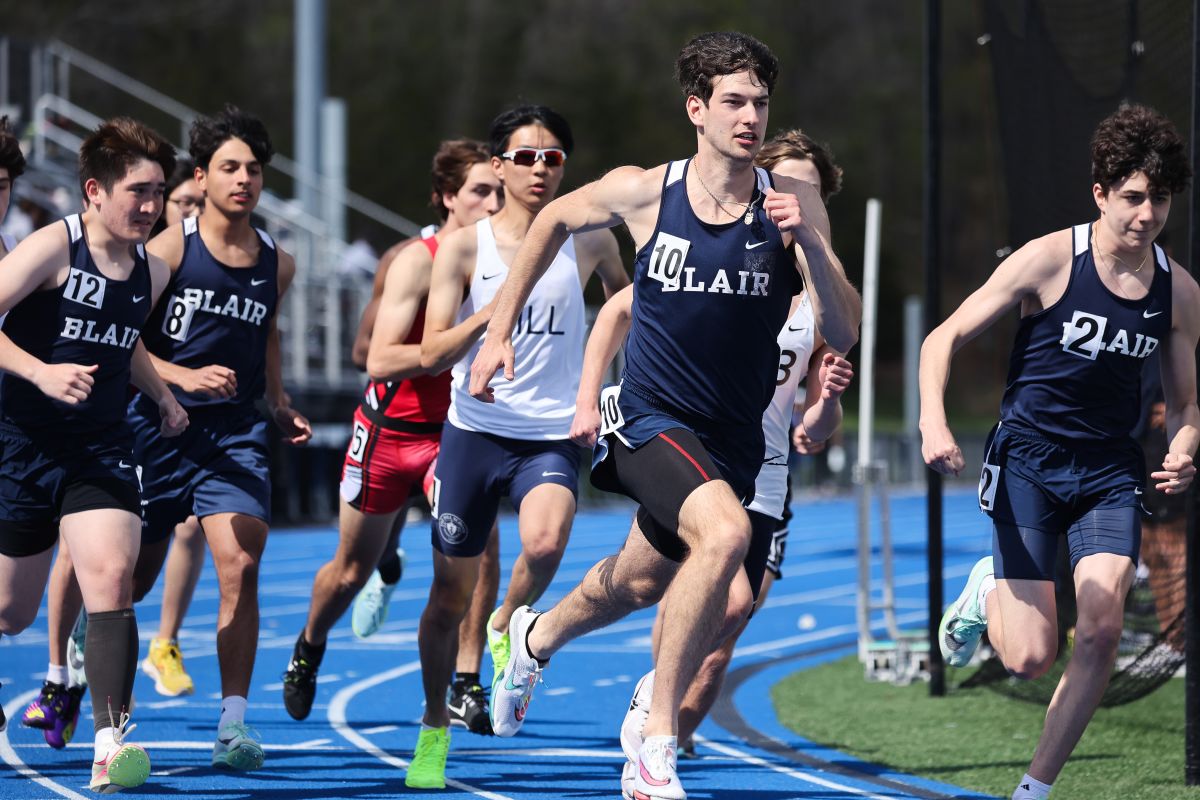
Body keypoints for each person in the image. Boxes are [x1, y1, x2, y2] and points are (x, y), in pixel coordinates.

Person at [471, 34, 860, 800]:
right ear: (697, 110)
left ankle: (534, 636)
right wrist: (497, 329)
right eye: (734, 103)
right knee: (726, 537)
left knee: (640, 582)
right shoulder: (646, 191)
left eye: (760, 103)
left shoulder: (793, 199)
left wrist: (807, 241)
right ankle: (655, 748)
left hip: (732, 437)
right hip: (649, 417)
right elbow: (550, 224)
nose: (750, 117)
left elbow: (843, 332)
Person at [920, 104, 1199, 800]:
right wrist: (932, 421)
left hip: (1109, 472)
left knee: (1103, 631)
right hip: (1029, 465)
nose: (1146, 213)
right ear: (1101, 192)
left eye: (1159, 198)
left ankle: (1033, 790)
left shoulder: (1178, 292)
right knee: (1030, 657)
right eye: (1133, 196)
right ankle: (988, 588)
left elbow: (1187, 404)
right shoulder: (1049, 259)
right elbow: (942, 339)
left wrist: (1186, 445)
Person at [595, 131, 849, 786]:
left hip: (768, 476)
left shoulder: (824, 296)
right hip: (698, 454)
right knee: (715, 593)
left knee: (724, 638)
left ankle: (659, 748)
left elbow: (825, 418)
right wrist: (586, 397)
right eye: (786, 182)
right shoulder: (724, 257)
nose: (794, 198)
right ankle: (655, 735)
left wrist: (822, 415)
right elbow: (622, 311)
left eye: (809, 189)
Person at [404, 104, 627, 789]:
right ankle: (433, 729)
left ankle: (504, 625)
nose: (539, 169)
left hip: (552, 434)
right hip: (475, 432)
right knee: (447, 596)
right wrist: (493, 319)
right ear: (497, 165)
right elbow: (427, 351)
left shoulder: (589, 238)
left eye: (553, 158)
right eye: (525, 157)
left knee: (546, 542)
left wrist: (614, 385)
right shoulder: (468, 248)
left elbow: (631, 306)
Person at [282, 139, 506, 735]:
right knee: (350, 571)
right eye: (480, 190)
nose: (492, 202)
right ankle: (309, 644)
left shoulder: (510, 261)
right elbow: (368, 355)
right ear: (447, 198)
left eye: (498, 191)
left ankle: (463, 680)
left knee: (480, 551)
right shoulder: (413, 258)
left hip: (453, 434)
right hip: (388, 431)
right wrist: (448, 342)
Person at [0, 116, 188, 793]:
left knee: (111, 573)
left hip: (103, 446)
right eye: (137, 191)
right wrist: (41, 372)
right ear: (94, 191)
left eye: (158, 192)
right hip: (24, 444)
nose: (149, 206)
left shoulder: (154, 267)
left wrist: (162, 394)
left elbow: (123, 337)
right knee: (11, 613)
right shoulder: (55, 246)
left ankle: (110, 743)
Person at [133, 105, 312, 771]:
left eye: (255, 170)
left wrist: (278, 400)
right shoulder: (170, 247)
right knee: (137, 579)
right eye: (230, 168)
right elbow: (127, 341)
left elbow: (265, 330)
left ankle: (233, 725)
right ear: (202, 178)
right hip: (157, 427)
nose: (244, 180)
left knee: (239, 562)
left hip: (234, 434)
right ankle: (101, 628)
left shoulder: (278, 262)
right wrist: (182, 377)